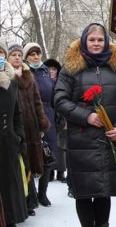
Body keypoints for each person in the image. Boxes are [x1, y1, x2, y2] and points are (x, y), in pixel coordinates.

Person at [54, 23, 116, 227]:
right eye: (92, 40)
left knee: (103, 191)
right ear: (84, 41)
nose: (96, 44)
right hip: (81, 141)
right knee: (83, 193)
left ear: (107, 42)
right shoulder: (71, 68)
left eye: (100, 40)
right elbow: (59, 100)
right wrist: (86, 116)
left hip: (108, 141)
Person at [7, 43, 50, 217]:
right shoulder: (6, 75)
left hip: (30, 127)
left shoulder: (28, 75)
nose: (17, 57)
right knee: (17, 165)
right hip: (13, 127)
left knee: (29, 165)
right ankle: (20, 203)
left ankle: (30, 202)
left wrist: (42, 122)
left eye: (19, 54)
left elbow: (37, 101)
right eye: (13, 55)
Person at [23, 42, 56, 207]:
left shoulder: (46, 71)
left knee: (48, 156)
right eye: (31, 54)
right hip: (31, 117)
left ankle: (43, 193)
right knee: (30, 156)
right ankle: (31, 194)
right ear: (26, 57)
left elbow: (54, 93)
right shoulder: (24, 72)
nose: (35, 57)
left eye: (38, 53)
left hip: (48, 116)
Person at [0, 41, 28, 226]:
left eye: (1, 53)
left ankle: (9, 218)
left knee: (9, 184)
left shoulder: (12, 81)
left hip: (7, 141)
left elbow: (17, 113)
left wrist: (17, 136)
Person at [43, 58, 67, 183]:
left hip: (61, 117)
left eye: (54, 69)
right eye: (49, 69)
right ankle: (50, 171)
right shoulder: (43, 83)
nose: (51, 71)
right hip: (48, 116)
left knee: (61, 146)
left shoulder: (61, 82)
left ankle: (61, 172)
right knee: (49, 144)